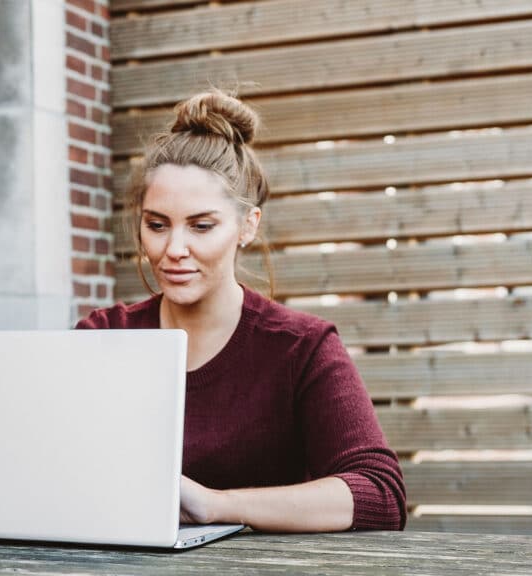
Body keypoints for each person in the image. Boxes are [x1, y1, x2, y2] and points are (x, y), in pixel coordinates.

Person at [76, 88, 406, 532]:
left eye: (201, 226)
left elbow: (380, 494)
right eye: (156, 225)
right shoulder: (103, 336)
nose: (174, 249)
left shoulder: (301, 348)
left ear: (247, 227)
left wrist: (215, 505)